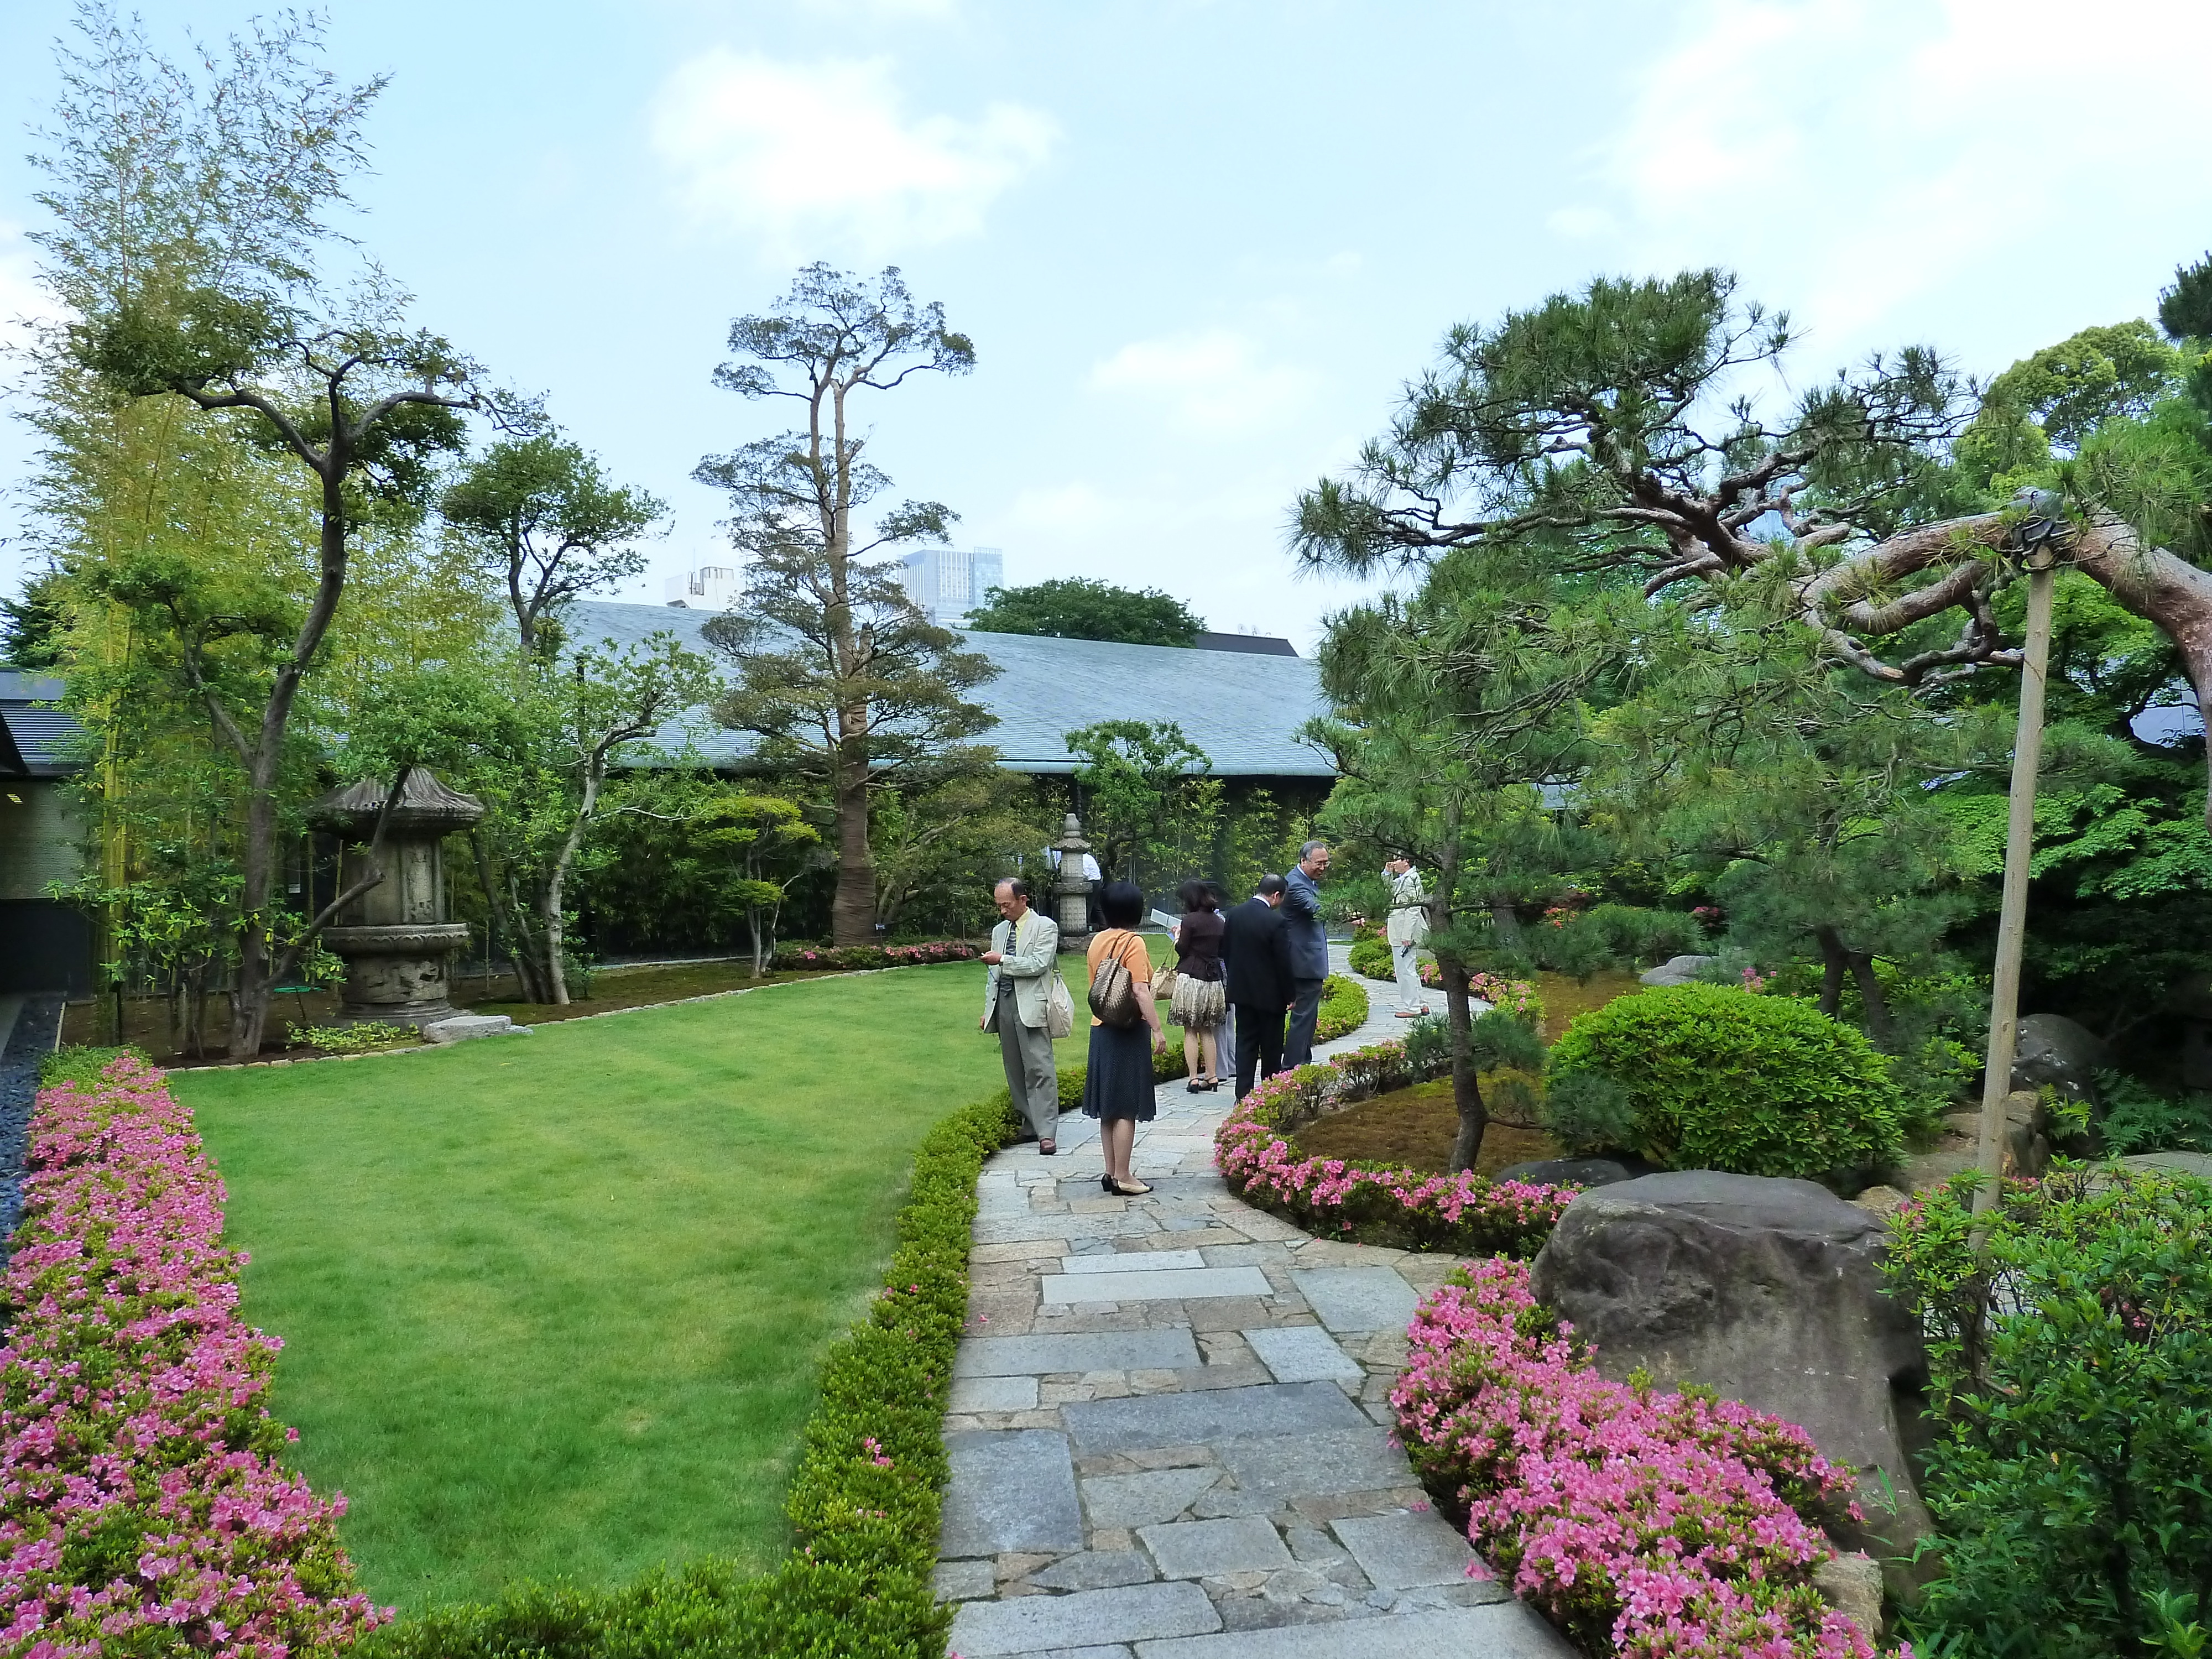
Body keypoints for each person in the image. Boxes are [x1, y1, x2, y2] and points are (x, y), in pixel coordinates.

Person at [1082, 879, 1169, 1196]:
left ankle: (1110, 1171)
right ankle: (1124, 1175)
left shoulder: (1096, 941)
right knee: (1126, 1105)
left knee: (1109, 1106)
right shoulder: (1134, 942)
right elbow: (1140, 991)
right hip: (1128, 1030)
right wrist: (1157, 1029)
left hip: (1101, 1027)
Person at [979, 877, 1062, 1154]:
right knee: (1014, 1069)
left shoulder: (1045, 927)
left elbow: (1038, 965)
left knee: (1040, 1068)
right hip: (1003, 1003)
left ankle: (1047, 1132)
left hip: (1031, 1005)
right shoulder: (1000, 931)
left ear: (1023, 900)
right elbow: (993, 976)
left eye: (1007, 905)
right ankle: (1029, 1125)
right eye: (999, 906)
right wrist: (987, 1009)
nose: (1003, 911)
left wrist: (1002, 960)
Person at [1220, 874, 1295, 1098]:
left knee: (1245, 1044)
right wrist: (1290, 994)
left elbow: (1225, 951)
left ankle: (1242, 1096)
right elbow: (1283, 962)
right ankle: (1269, 1094)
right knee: (1271, 1047)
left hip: (1242, 992)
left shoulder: (1233, 915)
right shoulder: (1276, 921)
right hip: (1270, 996)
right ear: (1276, 895)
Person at [1170, 878, 1227, 1092]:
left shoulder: (1190, 920)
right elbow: (1222, 952)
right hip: (1213, 979)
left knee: (1190, 1030)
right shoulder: (1219, 921)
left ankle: (1194, 1078)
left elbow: (1182, 950)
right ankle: (1212, 1076)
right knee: (1208, 1030)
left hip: (1191, 977)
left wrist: (1177, 937)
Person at [1280, 839, 1331, 1067]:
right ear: (1304, 860)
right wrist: (1349, 911)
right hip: (1303, 963)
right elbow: (1317, 909)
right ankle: (1292, 1067)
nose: (1323, 868)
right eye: (1319, 863)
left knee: (1308, 1018)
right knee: (1303, 1018)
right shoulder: (1296, 884)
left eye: (1326, 863)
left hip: (1307, 961)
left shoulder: (1307, 881)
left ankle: (1302, 1062)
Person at [1383, 855, 1431, 1018]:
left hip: (1404, 932)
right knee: (1409, 969)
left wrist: (1407, 935)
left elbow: (1413, 909)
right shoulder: (1404, 878)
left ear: (1406, 862)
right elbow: (1389, 893)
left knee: (1404, 971)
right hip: (1400, 930)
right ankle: (1421, 1004)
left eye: (1397, 859)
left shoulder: (1412, 879)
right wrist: (1387, 874)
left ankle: (1412, 1008)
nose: (1394, 862)